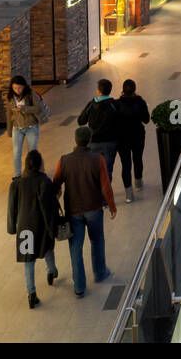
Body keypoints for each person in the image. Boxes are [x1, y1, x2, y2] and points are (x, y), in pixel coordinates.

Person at [53, 126, 117, 298]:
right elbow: (105, 186)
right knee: (97, 241)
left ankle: (79, 287)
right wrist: (112, 205)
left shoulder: (64, 160)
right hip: (94, 208)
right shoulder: (97, 159)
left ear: (75, 140)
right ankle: (100, 272)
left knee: (75, 248)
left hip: (73, 211)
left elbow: (56, 183)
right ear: (89, 140)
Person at [8, 148, 58, 309]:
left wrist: (12, 227)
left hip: (24, 228)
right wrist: (53, 225)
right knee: (48, 248)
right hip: (42, 225)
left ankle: (31, 293)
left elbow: (11, 208)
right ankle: (51, 271)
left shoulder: (17, 184)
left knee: (28, 260)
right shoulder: (44, 181)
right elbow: (49, 205)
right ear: (40, 164)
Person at [114, 79, 150, 204]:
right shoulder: (140, 102)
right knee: (138, 159)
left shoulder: (117, 103)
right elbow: (146, 120)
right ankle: (138, 182)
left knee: (126, 165)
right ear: (135, 89)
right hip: (138, 136)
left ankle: (129, 194)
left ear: (123, 90)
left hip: (122, 138)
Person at [77, 78, 119, 179]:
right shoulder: (114, 104)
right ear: (110, 90)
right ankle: (106, 192)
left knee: (94, 170)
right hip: (110, 142)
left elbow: (81, 121)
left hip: (93, 142)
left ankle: (96, 192)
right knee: (107, 170)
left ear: (98, 91)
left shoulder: (91, 105)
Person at [5, 75, 45, 178]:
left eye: (19, 88)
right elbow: (9, 113)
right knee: (16, 153)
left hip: (31, 127)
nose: (17, 90)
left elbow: (38, 109)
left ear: (24, 86)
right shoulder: (10, 97)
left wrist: (24, 108)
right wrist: (9, 130)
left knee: (32, 153)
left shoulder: (30, 94)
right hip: (17, 128)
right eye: (14, 88)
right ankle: (17, 175)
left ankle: (35, 173)